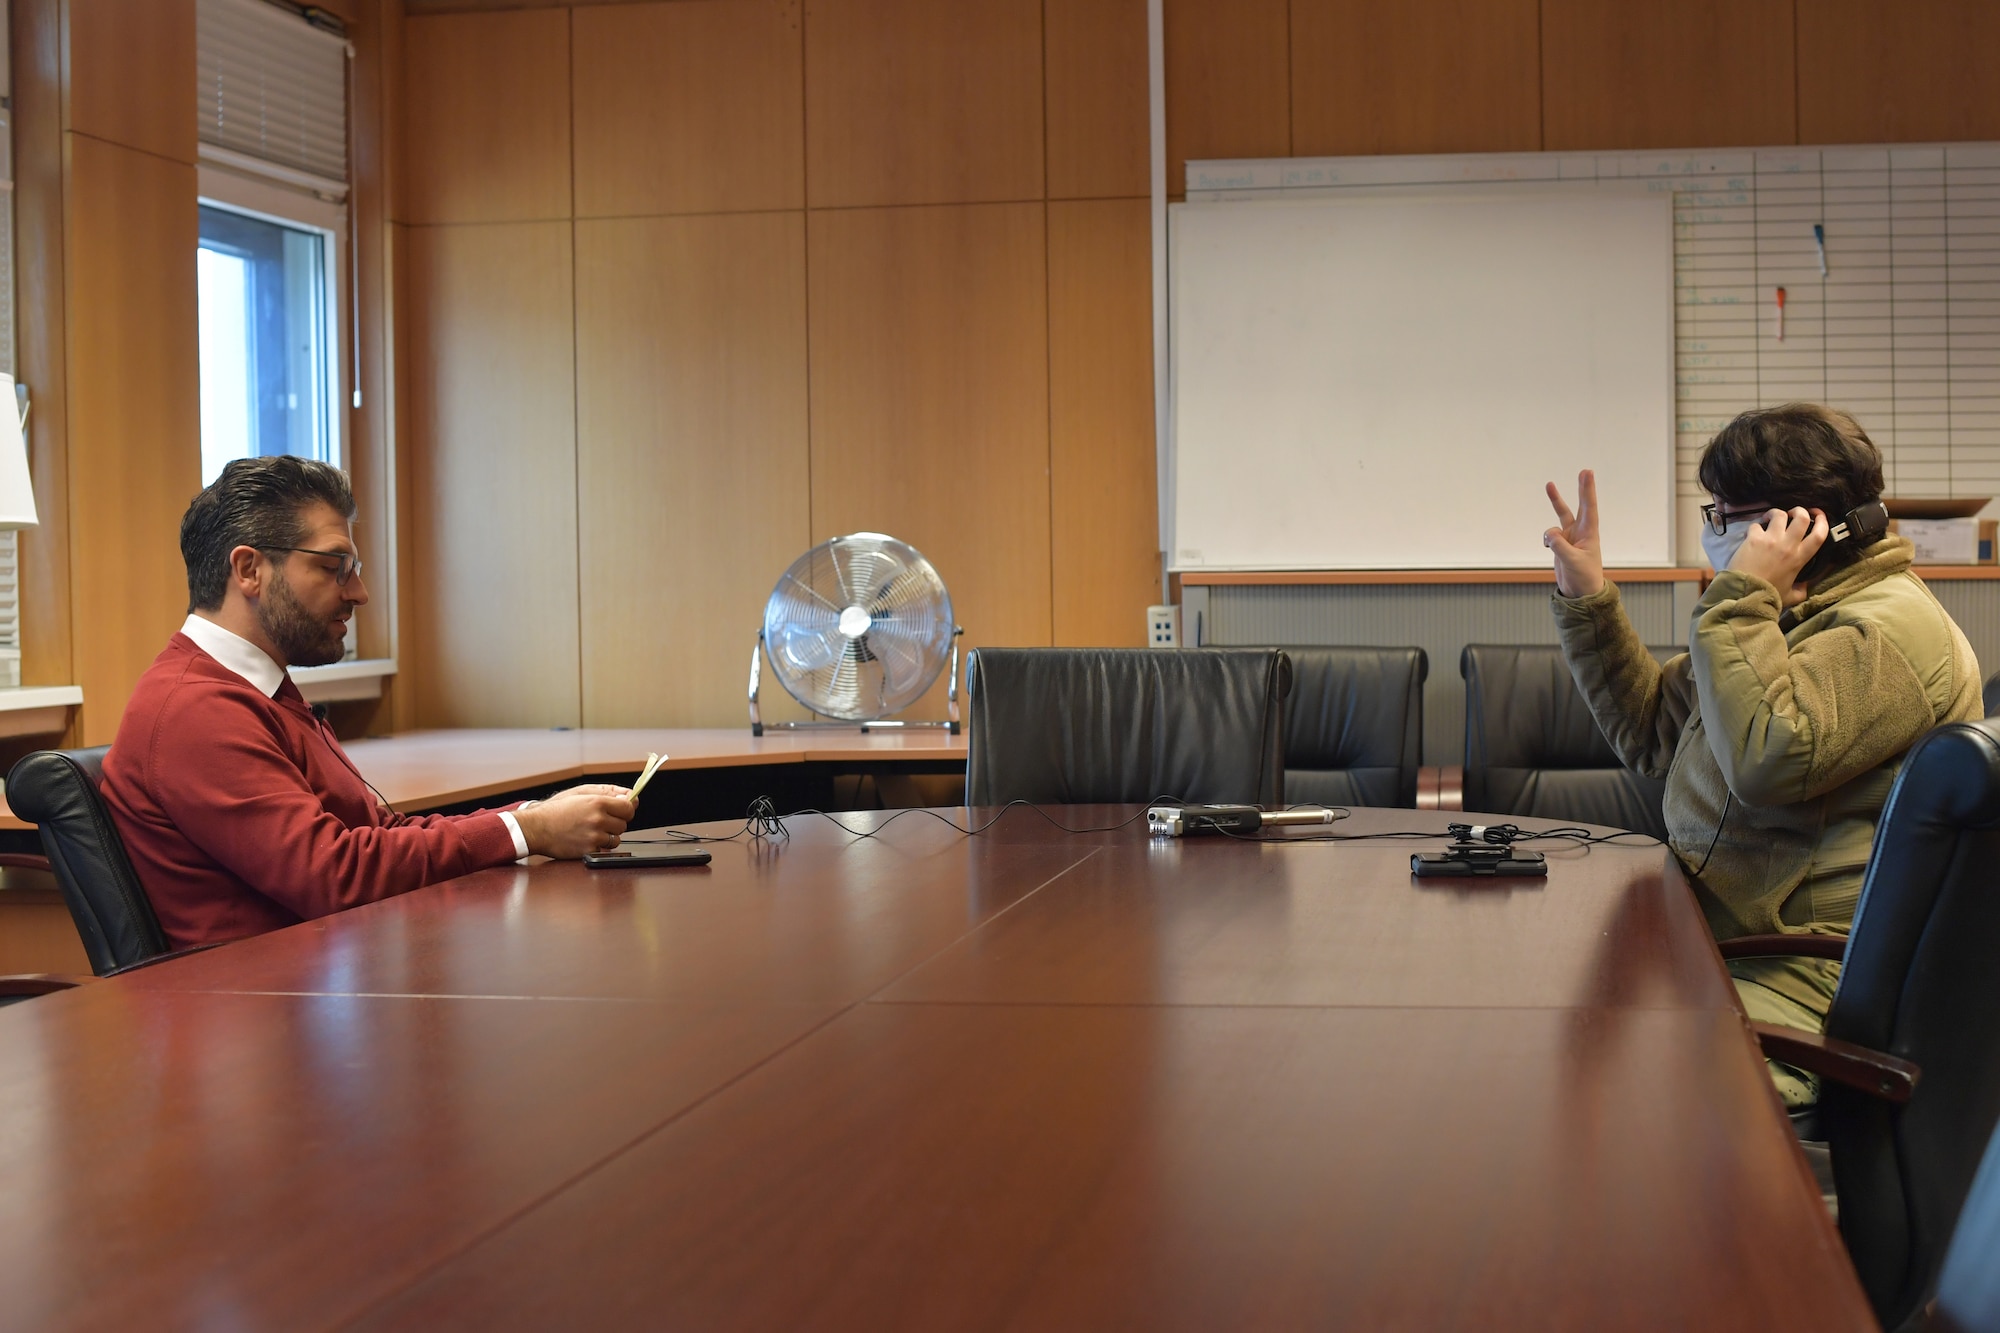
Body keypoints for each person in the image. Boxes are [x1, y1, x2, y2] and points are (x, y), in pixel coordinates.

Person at [1543, 403, 1981, 1106]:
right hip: (1713, 931)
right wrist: (1588, 596)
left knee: (1644, 1105)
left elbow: (1764, 763)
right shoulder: (1795, 606)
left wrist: (1740, 596)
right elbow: (1657, 728)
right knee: (1564, 1041)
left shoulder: (1886, 634)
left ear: (1800, 525)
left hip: (1805, 964)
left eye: (1725, 515)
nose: (1714, 532)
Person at [101, 457, 636, 949]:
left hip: (324, 987)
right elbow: (334, 875)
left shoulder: (256, 689)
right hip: (262, 1021)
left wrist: (531, 815)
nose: (358, 592)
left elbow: (376, 837)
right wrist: (528, 832)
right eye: (336, 566)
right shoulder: (196, 710)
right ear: (248, 570)